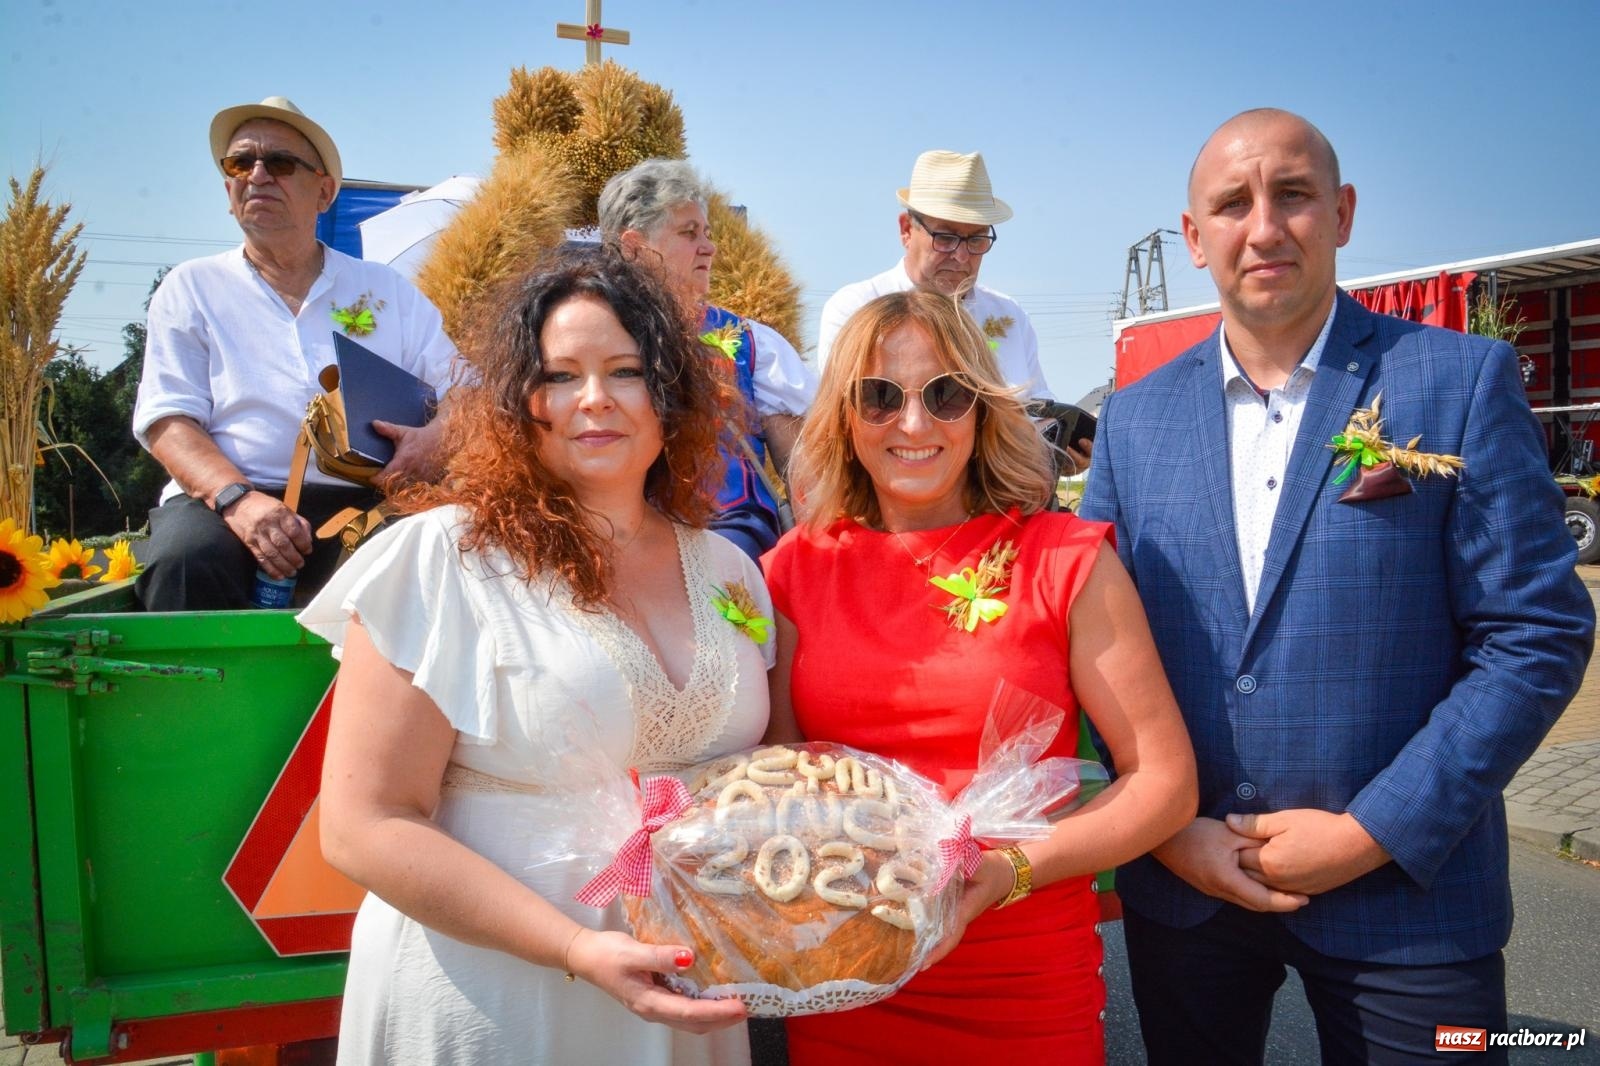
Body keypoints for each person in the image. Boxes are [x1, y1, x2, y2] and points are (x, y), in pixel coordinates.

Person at [1079, 108, 1595, 1065]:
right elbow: (1092, 646)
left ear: (1344, 212)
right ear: (1194, 239)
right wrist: (1164, 827)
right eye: (1232, 204)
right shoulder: (1135, 422)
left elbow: (1537, 633)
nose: (1264, 227)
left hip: (1408, 899)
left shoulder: (1458, 381)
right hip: (1189, 889)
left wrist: (1370, 832)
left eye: (1294, 195)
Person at [303, 248, 772, 1065]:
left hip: (683, 1004)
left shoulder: (732, 571)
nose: (595, 400)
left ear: (670, 396)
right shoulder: (441, 559)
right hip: (495, 1005)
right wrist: (573, 949)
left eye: (626, 370)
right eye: (560, 376)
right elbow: (362, 826)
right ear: (523, 401)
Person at [762, 289, 1197, 1064]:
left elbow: (1165, 783)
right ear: (843, 416)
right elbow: (778, 786)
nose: (915, 423)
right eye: (879, 396)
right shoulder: (791, 572)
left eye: (945, 393)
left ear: (982, 406)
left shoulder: (1066, 559)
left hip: (1023, 976)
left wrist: (1010, 871)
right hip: (848, 970)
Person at [133, 95, 456, 610]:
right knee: (186, 558)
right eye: (241, 163)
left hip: (370, 496)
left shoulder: (386, 290)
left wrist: (434, 439)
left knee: (444, 548)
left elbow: (469, 392)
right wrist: (238, 501)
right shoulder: (190, 287)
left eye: (280, 163)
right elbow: (168, 420)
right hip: (226, 501)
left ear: (324, 192)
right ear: (227, 188)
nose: (257, 176)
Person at [599, 159, 817, 561]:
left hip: (734, 560)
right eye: (689, 232)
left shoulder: (752, 343)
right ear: (633, 246)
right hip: (616, 557)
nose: (709, 247)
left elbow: (808, 478)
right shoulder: (584, 340)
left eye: (708, 233)